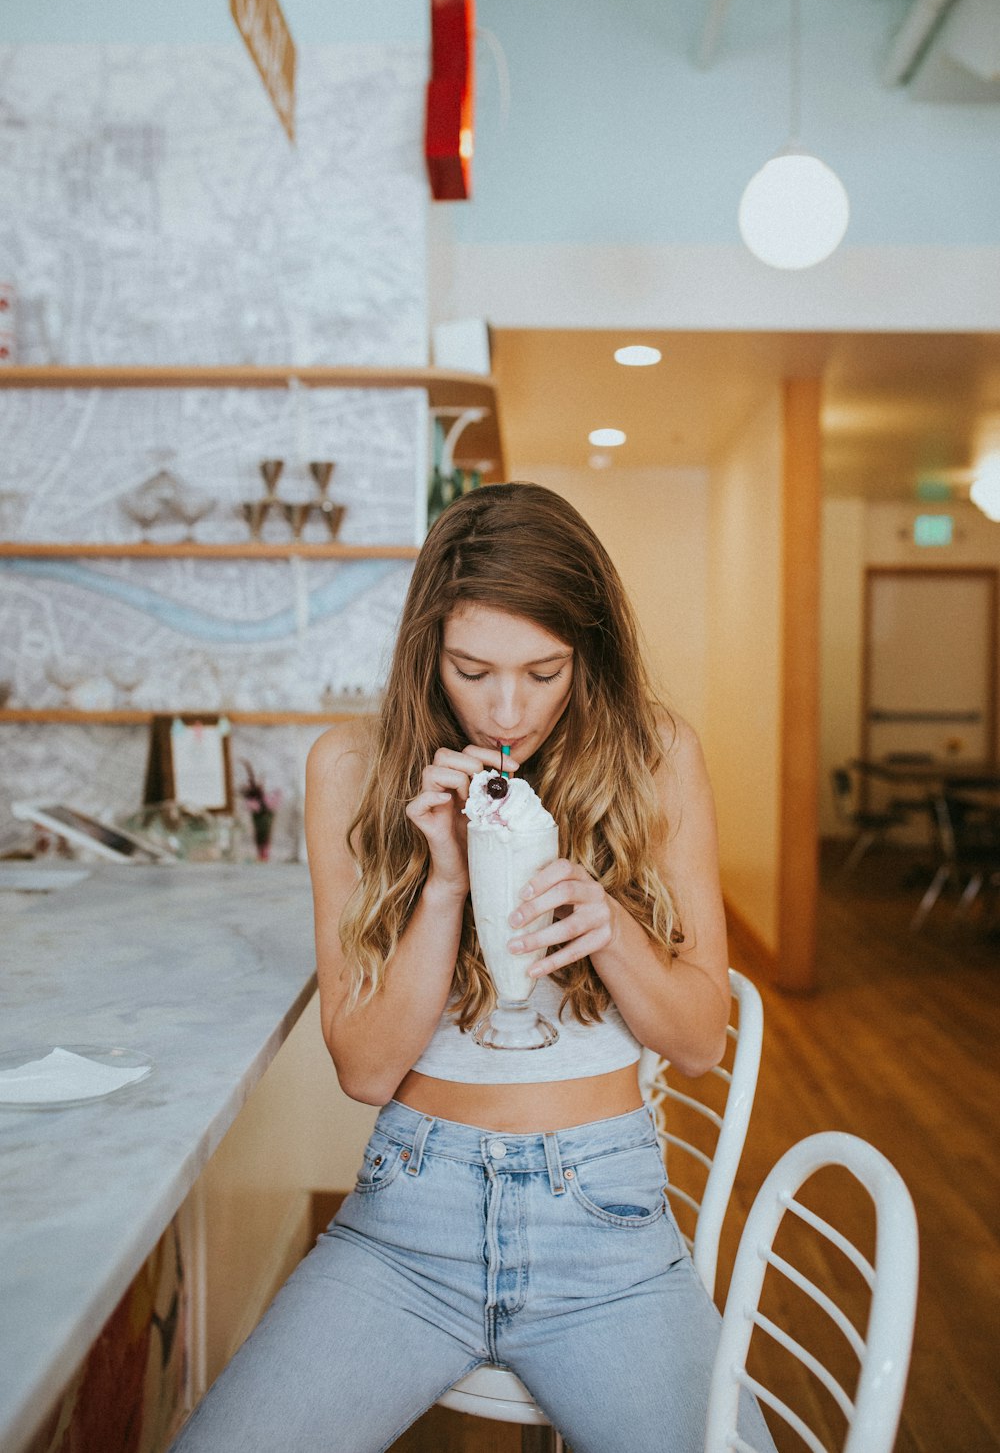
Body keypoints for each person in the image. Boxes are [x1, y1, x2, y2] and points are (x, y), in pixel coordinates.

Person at [169, 482, 776, 1453]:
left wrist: (607, 921)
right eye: (472, 669)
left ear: (590, 655)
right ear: (427, 655)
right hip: (408, 1219)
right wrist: (443, 882)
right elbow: (366, 1072)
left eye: (544, 672)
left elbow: (700, 1043)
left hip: (606, 1224)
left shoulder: (652, 755)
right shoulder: (351, 770)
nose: (506, 709)